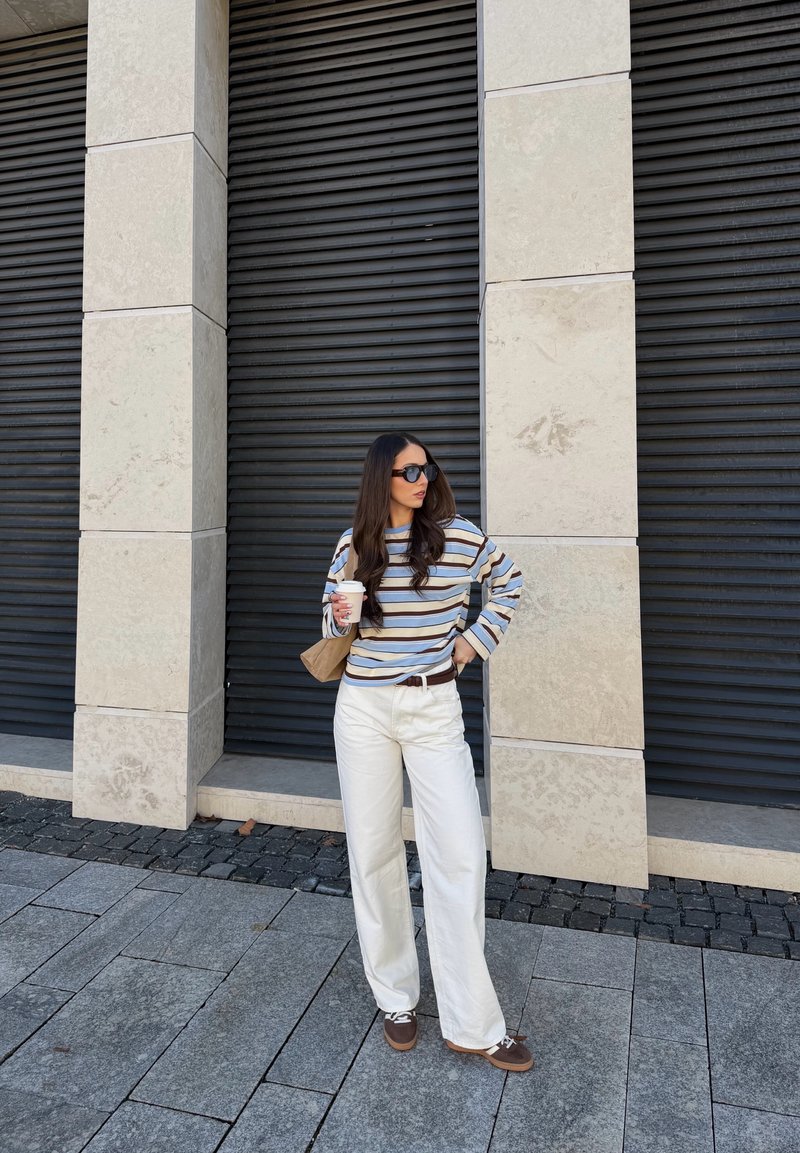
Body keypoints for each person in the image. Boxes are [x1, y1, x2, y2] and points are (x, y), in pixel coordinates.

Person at [321, 432, 533, 1073]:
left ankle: (474, 1023)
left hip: (433, 708)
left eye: (426, 467)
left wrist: (473, 643)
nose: (422, 476)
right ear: (380, 478)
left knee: (461, 855)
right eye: (408, 469)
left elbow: (511, 582)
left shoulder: (459, 535)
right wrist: (342, 614)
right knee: (374, 850)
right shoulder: (353, 544)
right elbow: (329, 627)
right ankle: (396, 997)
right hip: (363, 710)